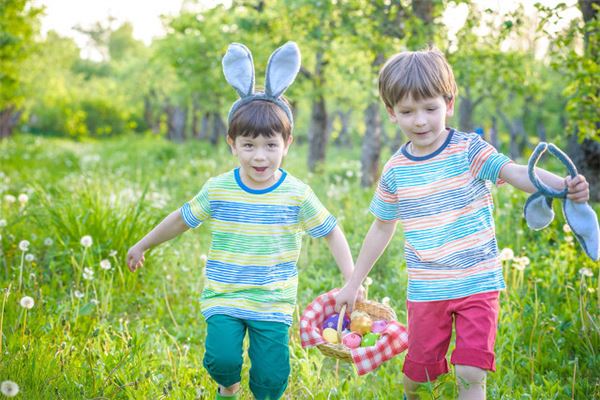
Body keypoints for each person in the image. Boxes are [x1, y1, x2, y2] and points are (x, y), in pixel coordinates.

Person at [334, 47, 590, 400]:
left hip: (477, 282)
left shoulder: (469, 150)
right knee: (419, 378)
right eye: (407, 111)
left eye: (430, 108)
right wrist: (354, 282)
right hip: (427, 290)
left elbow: (513, 171)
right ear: (392, 113)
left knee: (471, 371)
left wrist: (561, 186)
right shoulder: (396, 169)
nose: (420, 120)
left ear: (449, 103)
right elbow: (381, 226)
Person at [127, 42, 355, 400]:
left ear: (287, 143)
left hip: (273, 302)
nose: (260, 156)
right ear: (232, 143)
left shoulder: (297, 193)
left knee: (271, 376)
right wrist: (144, 244)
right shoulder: (219, 189)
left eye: (270, 145)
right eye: (249, 145)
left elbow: (331, 232)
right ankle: (227, 388)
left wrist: (351, 279)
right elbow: (181, 220)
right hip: (225, 295)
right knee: (221, 359)